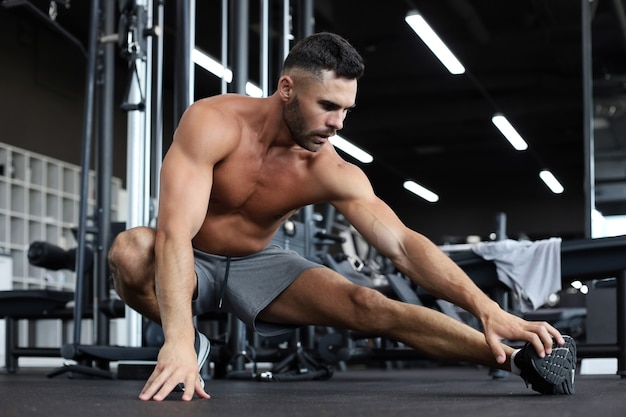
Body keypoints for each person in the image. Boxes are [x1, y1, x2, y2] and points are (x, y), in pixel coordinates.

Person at [108, 32, 576, 402]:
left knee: (370, 306)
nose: (338, 124)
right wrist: (179, 340)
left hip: (259, 264)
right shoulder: (213, 122)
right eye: (328, 106)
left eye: (346, 110)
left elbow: (403, 245)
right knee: (130, 251)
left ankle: (518, 361)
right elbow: (173, 234)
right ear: (286, 89)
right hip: (190, 253)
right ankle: (188, 344)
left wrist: (487, 309)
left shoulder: (330, 169)